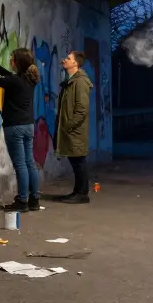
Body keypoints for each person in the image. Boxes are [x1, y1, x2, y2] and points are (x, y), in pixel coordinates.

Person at [0, 48, 41, 211]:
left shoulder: (15, 80)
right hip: (28, 126)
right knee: (29, 163)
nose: (10, 61)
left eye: (12, 59)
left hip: (15, 127)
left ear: (17, 63)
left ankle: (22, 201)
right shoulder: (30, 78)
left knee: (20, 164)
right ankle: (34, 199)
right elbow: (6, 75)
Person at [54, 51, 92, 204]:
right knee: (76, 161)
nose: (65, 59)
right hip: (71, 130)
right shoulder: (71, 81)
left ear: (75, 63)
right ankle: (78, 192)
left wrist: (68, 125)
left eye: (68, 58)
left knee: (79, 161)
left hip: (75, 130)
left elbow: (82, 109)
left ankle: (82, 194)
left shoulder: (80, 82)